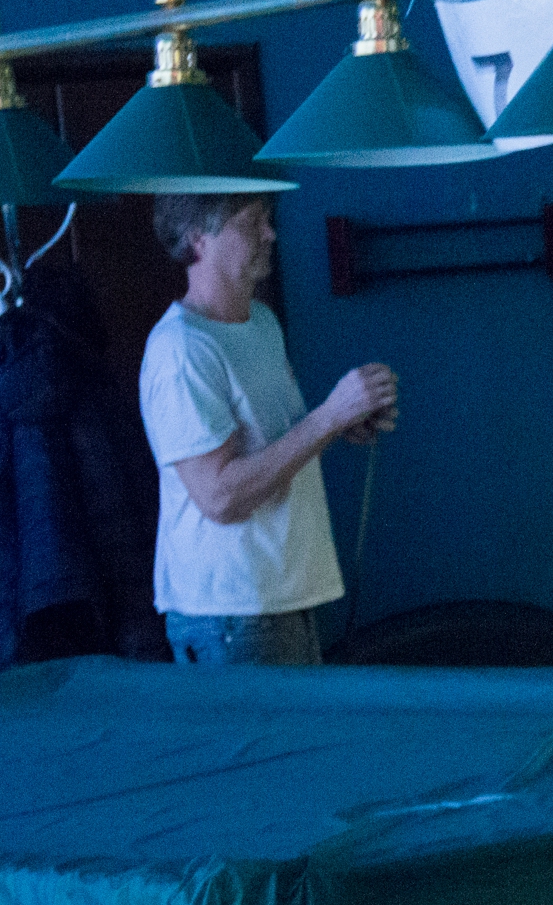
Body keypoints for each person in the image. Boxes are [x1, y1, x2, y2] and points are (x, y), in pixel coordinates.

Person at [139, 195, 397, 666]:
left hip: (281, 597)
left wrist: (342, 422)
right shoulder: (180, 350)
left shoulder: (262, 323)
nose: (270, 234)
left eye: (267, 219)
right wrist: (328, 417)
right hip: (231, 612)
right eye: (252, 222)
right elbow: (220, 497)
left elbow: (274, 446)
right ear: (199, 238)